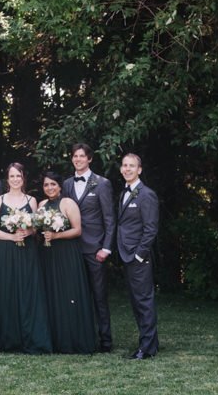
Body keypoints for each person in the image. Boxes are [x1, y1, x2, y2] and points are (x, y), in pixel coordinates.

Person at [0, 163, 51, 354]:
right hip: (5, 251)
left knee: (27, 291)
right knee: (7, 290)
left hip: (26, 251)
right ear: (7, 179)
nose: (15, 179)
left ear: (23, 178)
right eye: (12, 176)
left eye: (18, 176)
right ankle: (8, 339)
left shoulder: (31, 200)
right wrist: (11, 236)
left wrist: (27, 231)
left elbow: (36, 227)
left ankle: (29, 336)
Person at [37, 170, 98, 354]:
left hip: (67, 253)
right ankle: (55, 339)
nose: (49, 188)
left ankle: (74, 340)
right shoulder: (41, 205)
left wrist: (56, 235)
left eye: (53, 184)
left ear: (60, 186)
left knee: (68, 292)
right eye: (46, 185)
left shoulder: (68, 203)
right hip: (48, 254)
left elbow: (77, 230)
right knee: (52, 293)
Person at [62, 142, 115, 351]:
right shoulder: (66, 184)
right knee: (76, 294)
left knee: (99, 295)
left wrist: (106, 248)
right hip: (71, 247)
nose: (78, 159)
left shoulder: (102, 183)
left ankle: (105, 340)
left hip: (95, 249)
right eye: (75, 156)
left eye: (82, 156)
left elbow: (110, 219)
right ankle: (82, 338)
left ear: (90, 159)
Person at [118, 153, 160, 359]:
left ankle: (147, 348)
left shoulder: (146, 194)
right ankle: (152, 342)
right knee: (137, 302)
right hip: (127, 255)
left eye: (131, 166)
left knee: (144, 302)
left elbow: (150, 229)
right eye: (124, 165)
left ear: (139, 170)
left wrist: (139, 256)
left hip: (138, 258)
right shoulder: (124, 192)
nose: (127, 169)